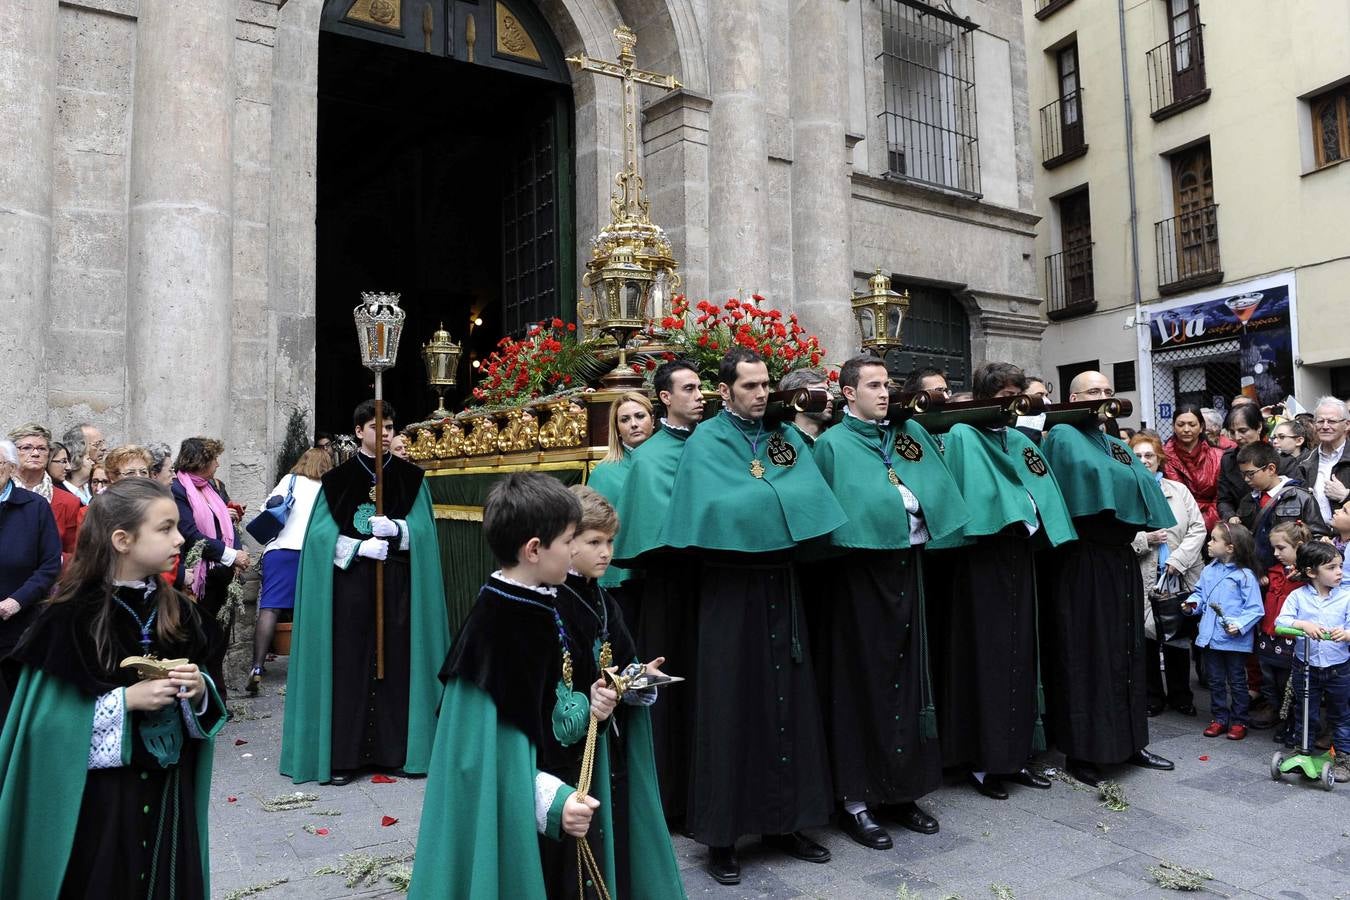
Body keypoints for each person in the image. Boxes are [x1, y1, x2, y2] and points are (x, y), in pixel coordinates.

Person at [409, 474, 683, 899]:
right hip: (536, 815)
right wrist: (553, 803)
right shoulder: (494, 626)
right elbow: (481, 760)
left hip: (572, 791)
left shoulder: (544, 602)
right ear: (535, 549)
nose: (576, 550)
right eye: (570, 539)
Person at [658, 348, 846, 884]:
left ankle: (786, 823)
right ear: (726, 390)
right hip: (730, 590)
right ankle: (722, 837)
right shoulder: (706, 442)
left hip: (780, 585)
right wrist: (775, 502)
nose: (762, 394)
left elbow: (813, 494)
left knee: (789, 702)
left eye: (766, 385)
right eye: (750, 386)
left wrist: (767, 500)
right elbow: (720, 509)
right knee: (729, 705)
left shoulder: (785, 438)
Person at [0, 478, 226, 898]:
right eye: (165, 528)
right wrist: (124, 702)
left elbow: (211, 695)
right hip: (99, 802)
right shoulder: (68, 618)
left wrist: (198, 690)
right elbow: (44, 729)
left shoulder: (177, 611)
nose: (180, 538)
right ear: (122, 540)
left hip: (167, 791)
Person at [811, 354, 971, 849]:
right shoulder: (833, 445)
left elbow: (934, 489)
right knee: (862, 683)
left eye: (888, 384)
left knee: (906, 683)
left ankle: (902, 792)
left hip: (908, 568)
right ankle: (856, 801)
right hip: (857, 582)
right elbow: (828, 514)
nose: (885, 393)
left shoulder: (905, 435)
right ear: (847, 393)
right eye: (874, 385)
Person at [925, 362, 1075, 803]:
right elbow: (966, 496)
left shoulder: (1015, 439)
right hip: (981, 562)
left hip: (1018, 558)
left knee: (1020, 658)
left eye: (1019, 397)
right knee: (985, 659)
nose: (1015, 406)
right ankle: (981, 760)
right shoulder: (963, 436)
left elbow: (1038, 489)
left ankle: (1016, 755)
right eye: (1007, 396)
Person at [281, 400, 450, 785]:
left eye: (390, 426)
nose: (386, 433)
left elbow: (425, 533)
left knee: (397, 666)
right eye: (377, 427)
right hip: (351, 590)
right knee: (349, 667)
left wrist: (401, 532)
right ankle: (344, 757)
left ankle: (394, 752)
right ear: (359, 431)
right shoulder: (339, 480)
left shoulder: (411, 479)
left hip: (398, 590)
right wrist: (357, 547)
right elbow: (320, 538)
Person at [1038, 370, 1177, 787]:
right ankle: (1084, 751)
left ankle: (1131, 741)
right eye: (1093, 391)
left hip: (1120, 560)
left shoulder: (1117, 443)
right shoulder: (1063, 436)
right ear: (1073, 397)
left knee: (1126, 650)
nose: (1102, 397)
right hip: (1084, 560)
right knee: (1087, 653)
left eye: (1107, 391)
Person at [611, 359, 704, 822]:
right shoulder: (649, 458)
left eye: (702, 386)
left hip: (713, 584)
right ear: (665, 398)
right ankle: (667, 798)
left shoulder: (711, 441)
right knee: (671, 688)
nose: (700, 395)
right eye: (689, 388)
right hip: (669, 589)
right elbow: (652, 530)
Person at [1129, 433, 1206, 717]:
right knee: (1147, 636)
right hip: (1142, 573)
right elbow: (1118, 536)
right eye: (1137, 456)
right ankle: (1152, 696)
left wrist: (1178, 559)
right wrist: (1144, 540)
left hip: (1178, 574)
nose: (1144, 461)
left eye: (1149, 455)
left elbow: (1197, 528)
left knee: (1177, 634)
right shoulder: (1126, 491)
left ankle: (1181, 695)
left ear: (1159, 458)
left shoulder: (1178, 490)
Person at [247, 448, 332, 695]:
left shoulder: (290, 480)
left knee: (270, 608)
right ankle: (310, 671)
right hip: (312, 553)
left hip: (280, 550)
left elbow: (267, 507)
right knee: (312, 610)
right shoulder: (327, 489)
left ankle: (257, 667)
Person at [1274, 541, 1350, 782]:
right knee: (1305, 710)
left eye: (1340, 566)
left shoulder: (1346, 597)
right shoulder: (1297, 597)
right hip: (1304, 666)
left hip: (1338, 668)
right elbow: (1280, 622)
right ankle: (1302, 749)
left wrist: (1347, 634)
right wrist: (1302, 624)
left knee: (1340, 714)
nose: (1339, 572)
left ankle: (1343, 757)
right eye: (1331, 567)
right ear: (1311, 572)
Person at [1183, 522, 1264, 740]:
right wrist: (1192, 604)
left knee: (1237, 681)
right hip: (1210, 637)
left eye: (1214, 539)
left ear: (1230, 547)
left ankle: (1239, 720)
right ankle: (1219, 718)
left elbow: (1255, 609)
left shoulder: (1245, 575)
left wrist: (1239, 625)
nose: (1209, 543)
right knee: (1215, 680)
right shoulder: (1209, 569)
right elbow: (1200, 593)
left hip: (1233, 639)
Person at [586, 391, 653, 627]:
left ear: (652, 420)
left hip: (661, 572)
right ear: (617, 428)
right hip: (620, 581)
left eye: (639, 416)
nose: (633, 424)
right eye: (625, 419)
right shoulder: (604, 473)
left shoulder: (672, 460)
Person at [171, 438, 249, 627]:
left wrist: (238, 555)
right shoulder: (178, 490)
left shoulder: (211, 486)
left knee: (219, 637)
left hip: (223, 574)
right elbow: (189, 534)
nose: (218, 463)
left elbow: (227, 525)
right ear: (200, 462)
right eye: (214, 458)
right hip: (200, 579)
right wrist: (231, 555)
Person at [0, 440, 62, 661]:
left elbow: (50, 564)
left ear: (12, 468)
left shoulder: (35, 507)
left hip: (18, 626)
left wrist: (16, 601)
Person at [1260, 521, 1312, 745]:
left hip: (1291, 639)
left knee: (1290, 685)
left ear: (1299, 546)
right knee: (1270, 681)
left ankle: (1293, 723)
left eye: (1281, 548)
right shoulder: (1273, 572)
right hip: (1269, 636)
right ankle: (1279, 716)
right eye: (1274, 548)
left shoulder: (1307, 578)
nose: (1275, 553)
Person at [7, 424, 82, 561]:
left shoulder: (69, 502)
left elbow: (74, 556)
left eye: (42, 448)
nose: (35, 453)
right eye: (26, 448)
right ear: (12, 453)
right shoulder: (3, 494)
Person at [1163, 403, 1224, 532]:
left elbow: (1221, 497)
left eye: (1192, 424)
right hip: (1176, 521)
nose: (1186, 429)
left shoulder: (1218, 456)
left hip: (1212, 522)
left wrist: (1204, 522)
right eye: (1181, 425)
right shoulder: (1162, 457)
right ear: (1173, 427)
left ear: (1201, 427)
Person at [1298, 397, 1350, 525]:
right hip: (1316, 539)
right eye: (1320, 421)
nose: (1325, 426)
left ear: (1347, 425)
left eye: (1332, 421)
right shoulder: (1303, 461)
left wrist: (1346, 496)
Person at [1216, 405, 1268, 523]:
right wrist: (1230, 516)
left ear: (1259, 427)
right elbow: (1224, 500)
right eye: (1232, 432)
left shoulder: (1281, 459)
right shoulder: (1228, 460)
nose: (1237, 437)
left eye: (1243, 431)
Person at [778, 368, 834, 446]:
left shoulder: (838, 438)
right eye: (821, 391)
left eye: (828, 391)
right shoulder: (781, 442)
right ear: (797, 398)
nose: (831, 397)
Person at [59, 426, 94, 505]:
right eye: (88, 459)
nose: (93, 463)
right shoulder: (62, 493)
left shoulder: (92, 488)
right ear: (75, 461)